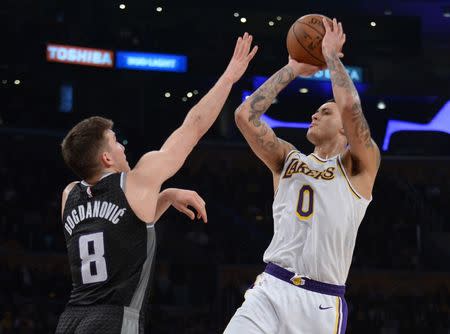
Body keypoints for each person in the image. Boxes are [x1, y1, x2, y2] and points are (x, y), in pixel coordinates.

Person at [55, 33, 257, 334]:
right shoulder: (137, 180)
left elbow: (121, 229)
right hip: (113, 319)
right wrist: (229, 77)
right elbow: (194, 127)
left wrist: (164, 197)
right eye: (116, 142)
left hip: (71, 319)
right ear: (107, 159)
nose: (123, 146)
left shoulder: (69, 194)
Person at [225, 19, 380, 334]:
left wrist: (331, 57)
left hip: (320, 302)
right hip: (271, 288)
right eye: (317, 111)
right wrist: (293, 68)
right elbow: (245, 116)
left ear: (343, 130)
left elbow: (350, 106)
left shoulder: (359, 166)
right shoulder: (286, 158)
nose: (315, 114)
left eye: (325, 111)